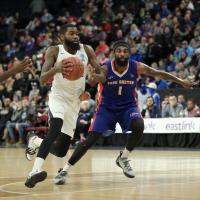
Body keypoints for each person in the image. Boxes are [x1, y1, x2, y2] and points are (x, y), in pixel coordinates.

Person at [51, 40, 194, 185]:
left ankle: (123, 158)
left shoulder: (136, 67)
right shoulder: (106, 68)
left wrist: (180, 81)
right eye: (119, 51)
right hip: (106, 108)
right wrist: (92, 76)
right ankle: (65, 170)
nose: (122, 54)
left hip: (128, 107)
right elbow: (96, 80)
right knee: (89, 141)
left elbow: (159, 73)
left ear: (129, 54)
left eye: (125, 51)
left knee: (139, 125)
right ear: (114, 53)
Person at [24, 23, 105, 188]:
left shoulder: (87, 50)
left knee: (61, 151)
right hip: (58, 98)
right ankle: (34, 171)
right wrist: (56, 69)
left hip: (75, 102)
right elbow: (42, 79)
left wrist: (92, 82)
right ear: (62, 37)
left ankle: (35, 141)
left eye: (77, 33)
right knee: (55, 129)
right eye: (71, 33)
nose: (76, 36)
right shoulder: (54, 51)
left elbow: (101, 74)